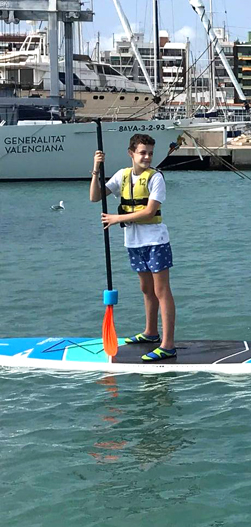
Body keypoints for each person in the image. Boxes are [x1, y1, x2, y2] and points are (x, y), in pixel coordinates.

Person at [90, 133, 176, 361]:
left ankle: (168, 345)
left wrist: (115, 219)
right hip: (134, 242)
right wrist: (96, 169)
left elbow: (149, 212)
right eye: (142, 153)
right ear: (131, 153)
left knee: (161, 291)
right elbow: (95, 197)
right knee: (146, 290)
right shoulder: (122, 175)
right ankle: (150, 332)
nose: (147, 157)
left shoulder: (155, 177)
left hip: (156, 241)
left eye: (150, 153)